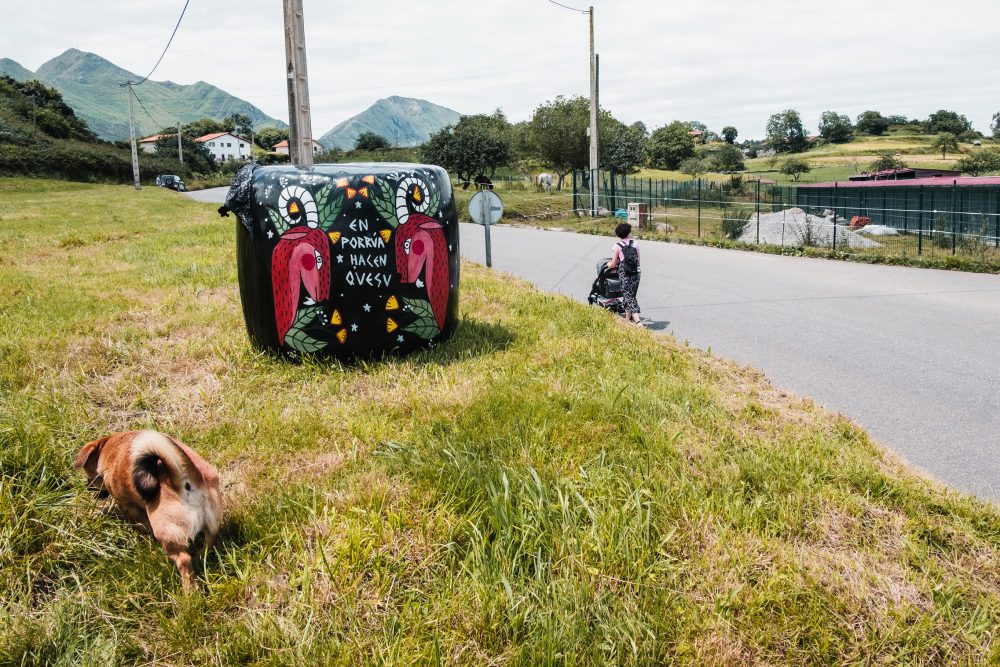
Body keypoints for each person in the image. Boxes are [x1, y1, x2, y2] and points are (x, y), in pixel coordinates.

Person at [607, 222, 642, 325]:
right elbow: (638, 260)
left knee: (629, 296)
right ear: (629, 232)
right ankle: (627, 320)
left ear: (618, 234)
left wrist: (609, 264)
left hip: (624, 273)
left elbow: (613, 264)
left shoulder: (617, 245)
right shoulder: (635, 243)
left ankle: (638, 322)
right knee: (630, 295)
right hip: (636, 272)